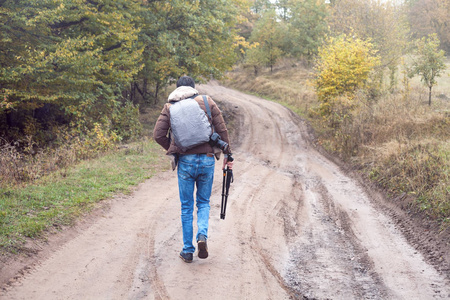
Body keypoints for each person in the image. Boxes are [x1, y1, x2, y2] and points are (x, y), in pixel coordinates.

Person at [153, 76, 233, 263]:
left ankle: (187, 250)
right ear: (193, 89)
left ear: (177, 89)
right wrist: (228, 155)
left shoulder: (170, 107)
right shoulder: (206, 101)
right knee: (203, 202)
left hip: (186, 162)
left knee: (187, 206)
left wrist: (175, 148)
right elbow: (222, 130)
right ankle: (202, 236)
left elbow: (158, 135)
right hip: (206, 160)